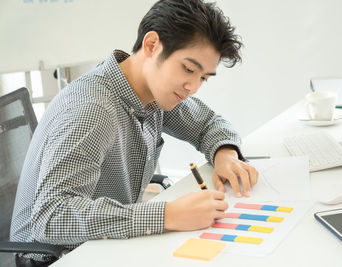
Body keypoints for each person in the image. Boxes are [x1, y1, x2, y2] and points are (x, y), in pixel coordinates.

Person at [11, 0, 258, 265]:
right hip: (56, 258)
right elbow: (51, 217)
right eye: (188, 69)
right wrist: (167, 215)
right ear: (152, 45)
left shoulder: (154, 92)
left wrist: (225, 153)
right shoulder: (93, 110)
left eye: (203, 77)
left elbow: (209, 123)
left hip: (103, 245)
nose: (193, 87)